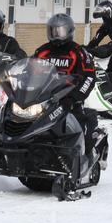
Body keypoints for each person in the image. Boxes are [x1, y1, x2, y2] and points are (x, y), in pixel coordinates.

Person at [33, 13, 98, 155]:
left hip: (68, 100)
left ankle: (84, 156)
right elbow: (30, 70)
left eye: (59, 31)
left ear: (69, 31)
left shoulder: (78, 52)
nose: (56, 34)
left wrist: (74, 97)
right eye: (53, 31)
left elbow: (89, 77)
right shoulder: (42, 51)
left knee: (79, 126)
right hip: (43, 100)